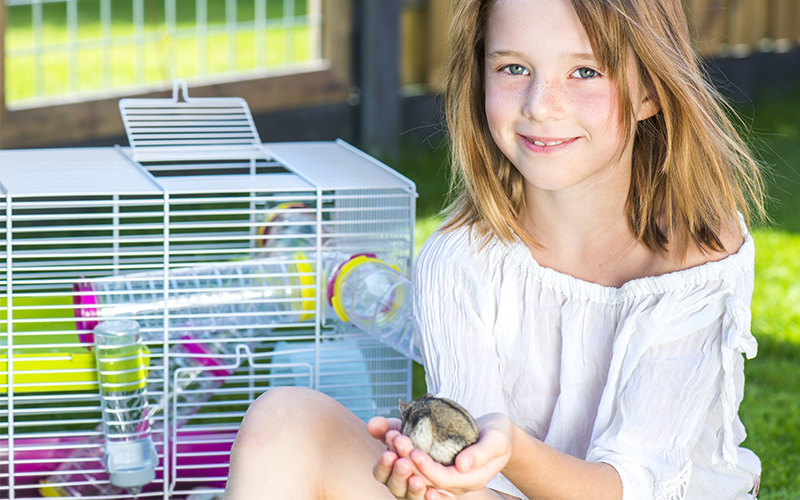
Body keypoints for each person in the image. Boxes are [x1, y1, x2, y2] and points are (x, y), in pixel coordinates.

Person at [223, 0, 766, 498]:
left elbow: (639, 485)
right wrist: (433, 472)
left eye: (585, 71)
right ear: (478, 75)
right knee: (284, 421)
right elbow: (472, 472)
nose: (541, 105)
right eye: (513, 68)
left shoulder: (697, 259)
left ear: (650, 90)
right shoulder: (458, 260)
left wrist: (515, 450)